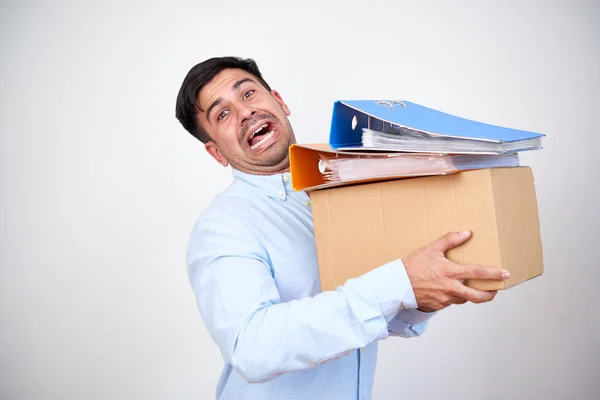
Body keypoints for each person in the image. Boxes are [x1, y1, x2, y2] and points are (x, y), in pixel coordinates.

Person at [175, 56, 510, 400]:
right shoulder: (222, 226)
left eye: (247, 94)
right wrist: (399, 281)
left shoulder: (337, 191)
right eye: (223, 114)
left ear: (280, 101)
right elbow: (252, 347)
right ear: (216, 153)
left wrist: (427, 291)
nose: (244, 112)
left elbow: (370, 315)